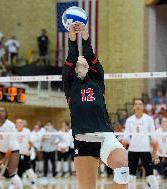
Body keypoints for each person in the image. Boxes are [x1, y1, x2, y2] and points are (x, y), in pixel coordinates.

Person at [62, 22, 128, 189]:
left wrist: (85, 37)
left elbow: (90, 55)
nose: (81, 60)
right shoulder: (70, 85)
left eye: (85, 61)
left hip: (105, 135)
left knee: (122, 167)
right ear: (75, 68)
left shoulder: (97, 81)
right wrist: (71, 38)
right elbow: (71, 56)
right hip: (84, 140)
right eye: (78, 61)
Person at [122, 99, 159, 189]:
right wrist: (122, 153)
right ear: (134, 107)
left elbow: (153, 137)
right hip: (132, 150)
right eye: (136, 104)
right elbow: (125, 138)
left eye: (140, 104)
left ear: (143, 107)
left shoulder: (149, 119)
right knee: (131, 177)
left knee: (150, 176)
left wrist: (155, 153)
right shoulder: (129, 120)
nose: (138, 106)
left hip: (145, 150)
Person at [15, 119, 37, 189]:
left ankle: (33, 182)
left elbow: (31, 143)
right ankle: (17, 183)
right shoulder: (13, 132)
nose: (19, 124)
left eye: (21, 123)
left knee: (28, 168)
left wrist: (28, 150)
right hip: (16, 154)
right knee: (17, 169)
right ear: (16, 124)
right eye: (18, 123)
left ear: (23, 124)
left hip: (25, 153)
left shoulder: (27, 131)